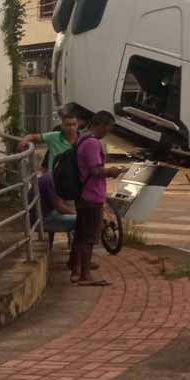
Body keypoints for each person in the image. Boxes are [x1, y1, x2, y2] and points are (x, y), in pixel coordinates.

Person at [71, 111, 127, 286]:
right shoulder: (93, 144)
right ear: (102, 125)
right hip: (91, 195)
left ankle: (78, 270)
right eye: (108, 128)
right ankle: (85, 275)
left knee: (81, 235)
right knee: (88, 237)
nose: (108, 132)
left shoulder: (82, 139)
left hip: (83, 194)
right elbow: (96, 170)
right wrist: (113, 171)